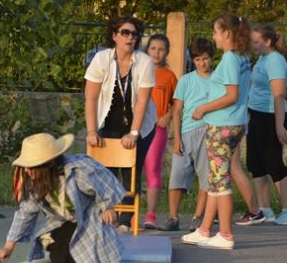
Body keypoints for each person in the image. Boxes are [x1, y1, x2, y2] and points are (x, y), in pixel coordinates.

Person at [0, 133, 124, 263]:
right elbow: (25, 213)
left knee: (79, 258)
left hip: (89, 217)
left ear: (49, 165)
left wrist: (108, 207)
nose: (28, 172)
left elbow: (104, 184)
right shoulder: (36, 184)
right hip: (63, 220)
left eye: (32, 167)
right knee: (59, 256)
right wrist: (9, 246)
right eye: (26, 167)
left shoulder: (78, 172)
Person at [182, 12, 252, 250]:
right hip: (236, 123)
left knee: (220, 182)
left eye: (216, 31)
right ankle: (204, 230)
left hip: (222, 125)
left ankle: (225, 233)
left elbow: (231, 95)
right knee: (215, 178)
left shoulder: (231, 59)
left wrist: (203, 108)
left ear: (227, 34)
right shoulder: (242, 58)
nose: (214, 36)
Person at [84, 14, 157, 232]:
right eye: (125, 32)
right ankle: (105, 217)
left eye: (134, 34)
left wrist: (134, 133)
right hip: (107, 123)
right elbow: (91, 98)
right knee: (105, 173)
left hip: (139, 125)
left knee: (131, 172)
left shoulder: (144, 62)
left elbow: (143, 100)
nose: (130, 38)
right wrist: (91, 131)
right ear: (115, 36)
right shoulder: (102, 59)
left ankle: (125, 222)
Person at [248, 24, 287, 225]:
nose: (252, 44)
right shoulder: (262, 58)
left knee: (274, 164)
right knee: (255, 163)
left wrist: (279, 126)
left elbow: (278, 96)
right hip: (257, 115)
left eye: (256, 41)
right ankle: (265, 210)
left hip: (272, 117)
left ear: (267, 42)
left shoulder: (276, 61)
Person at [158, 38, 212, 232]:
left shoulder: (217, 80)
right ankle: (173, 217)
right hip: (187, 132)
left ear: (211, 59)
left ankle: (198, 218)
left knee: (206, 178)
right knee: (177, 176)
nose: (202, 63)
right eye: (198, 60)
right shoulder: (186, 80)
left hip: (208, 132)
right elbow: (178, 110)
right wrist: (178, 138)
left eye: (205, 59)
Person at [143, 34, 178, 229]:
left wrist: (168, 115)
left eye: (161, 49)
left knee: (152, 169)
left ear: (166, 52)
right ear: (147, 50)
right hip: (137, 129)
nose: (156, 52)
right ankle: (126, 213)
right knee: (131, 169)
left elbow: (178, 102)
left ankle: (151, 214)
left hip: (157, 130)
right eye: (153, 48)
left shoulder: (169, 76)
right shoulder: (137, 70)